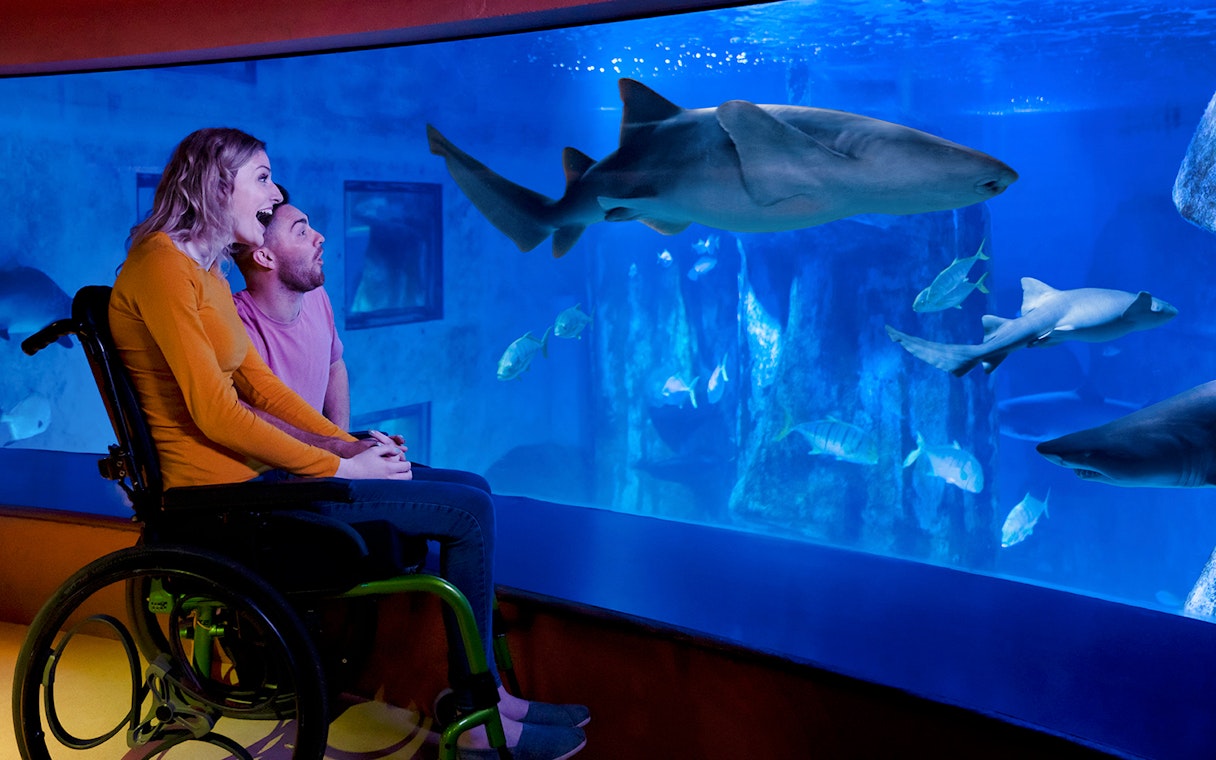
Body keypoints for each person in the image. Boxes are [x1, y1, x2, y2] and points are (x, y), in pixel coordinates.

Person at [109, 127, 586, 760]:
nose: (274, 191)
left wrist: (353, 447)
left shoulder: (204, 274)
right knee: (468, 512)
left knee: (472, 487)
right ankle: (475, 710)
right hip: (228, 505)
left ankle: (486, 697)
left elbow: (262, 387)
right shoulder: (162, 267)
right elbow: (218, 413)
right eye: (262, 177)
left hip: (261, 486)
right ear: (218, 183)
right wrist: (339, 464)